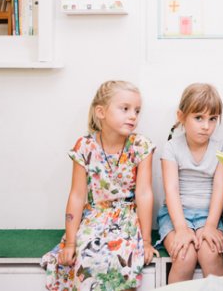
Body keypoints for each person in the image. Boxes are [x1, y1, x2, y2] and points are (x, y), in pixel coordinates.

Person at [41, 80, 158, 291]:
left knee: (121, 256)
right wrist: (69, 243)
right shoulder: (85, 146)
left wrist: (147, 241)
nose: (133, 115)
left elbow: (144, 193)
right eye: (125, 109)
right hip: (95, 217)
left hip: (127, 218)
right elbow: (77, 196)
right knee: (84, 255)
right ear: (101, 112)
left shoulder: (141, 146)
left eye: (137, 110)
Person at [157, 83, 223, 283]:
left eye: (212, 119)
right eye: (199, 118)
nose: (206, 126)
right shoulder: (172, 148)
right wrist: (181, 228)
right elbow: (171, 190)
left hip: (210, 215)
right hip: (176, 216)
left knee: (211, 253)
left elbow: (220, 188)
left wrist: (211, 226)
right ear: (181, 116)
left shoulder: (221, 147)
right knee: (184, 256)